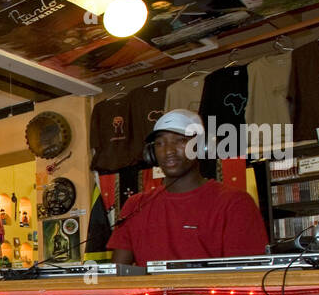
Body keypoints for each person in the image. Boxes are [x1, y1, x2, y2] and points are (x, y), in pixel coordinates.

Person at [107, 109, 269, 266]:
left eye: (180, 140)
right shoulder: (135, 205)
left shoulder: (235, 203)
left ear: (202, 147)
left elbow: (244, 278)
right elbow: (115, 278)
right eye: (160, 143)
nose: (168, 151)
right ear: (151, 153)